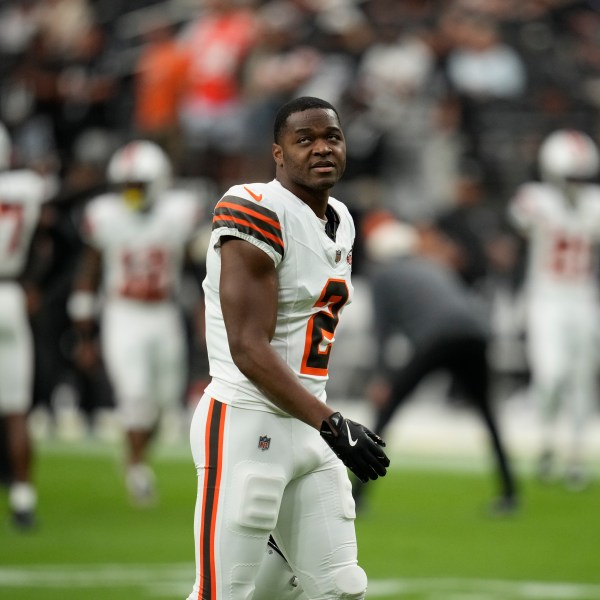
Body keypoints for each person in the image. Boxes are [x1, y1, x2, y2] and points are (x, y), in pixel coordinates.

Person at [186, 96, 389, 600]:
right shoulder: (254, 207)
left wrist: (323, 423)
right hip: (246, 421)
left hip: (310, 427)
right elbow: (248, 347)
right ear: (278, 153)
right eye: (305, 140)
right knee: (223, 593)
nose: (322, 149)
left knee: (339, 588)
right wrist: (331, 421)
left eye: (332, 137)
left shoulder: (340, 217)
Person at [353, 210, 518, 515]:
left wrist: (381, 377)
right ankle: (510, 493)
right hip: (475, 335)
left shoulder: (383, 277)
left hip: (437, 339)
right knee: (488, 416)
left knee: (387, 413)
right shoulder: (431, 265)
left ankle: (357, 494)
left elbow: (382, 333)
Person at [68, 139, 203, 506]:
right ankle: (137, 470)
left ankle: (135, 457)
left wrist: (204, 308)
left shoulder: (177, 213)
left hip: (164, 312)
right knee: (136, 397)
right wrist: (83, 332)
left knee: (163, 404)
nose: (131, 193)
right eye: (126, 186)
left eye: (138, 185)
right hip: (123, 312)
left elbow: (195, 264)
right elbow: (90, 269)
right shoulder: (106, 215)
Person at [508, 128, 600, 491]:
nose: (575, 183)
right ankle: (547, 441)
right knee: (551, 376)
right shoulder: (536, 198)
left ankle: (576, 455)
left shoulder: (594, 202)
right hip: (546, 298)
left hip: (583, 299)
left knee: (581, 381)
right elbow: (521, 216)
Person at [0, 121, 54, 529]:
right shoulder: (27, 188)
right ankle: (23, 498)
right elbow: (45, 239)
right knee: (15, 409)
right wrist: (33, 281)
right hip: (10, 296)